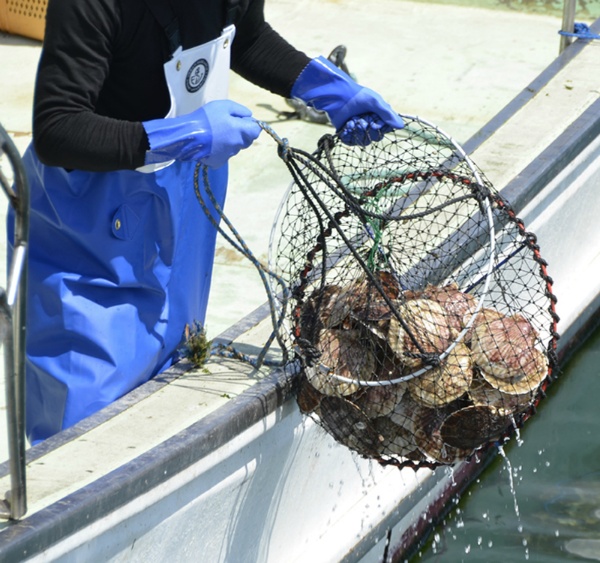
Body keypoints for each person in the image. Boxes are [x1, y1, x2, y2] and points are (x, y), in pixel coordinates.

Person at [12, 0, 404, 443]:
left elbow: (248, 35)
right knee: (85, 415)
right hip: (89, 226)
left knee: (169, 368)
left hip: (186, 198)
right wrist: (186, 134)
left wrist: (326, 88)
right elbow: (57, 128)